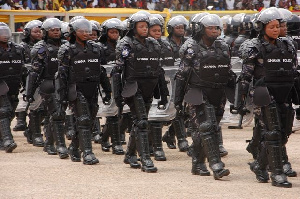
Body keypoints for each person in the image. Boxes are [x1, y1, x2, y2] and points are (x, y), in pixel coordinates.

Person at [237, 7, 296, 187]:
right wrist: (241, 101)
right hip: (263, 93)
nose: (276, 30)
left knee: (283, 134)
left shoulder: (288, 45)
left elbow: (293, 72)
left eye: (278, 26)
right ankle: (277, 174)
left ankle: (259, 165)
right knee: (273, 133)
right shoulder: (253, 47)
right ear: (261, 27)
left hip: (284, 92)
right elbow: (246, 76)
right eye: (271, 27)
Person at [177, 14, 233, 179]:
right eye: (210, 28)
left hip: (218, 92)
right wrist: (177, 101)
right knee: (207, 126)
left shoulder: (223, 47)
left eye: (216, 27)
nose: (214, 31)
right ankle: (216, 165)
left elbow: (228, 72)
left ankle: (197, 162)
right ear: (200, 29)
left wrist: (237, 96)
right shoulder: (191, 48)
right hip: (197, 92)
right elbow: (181, 76)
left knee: (211, 129)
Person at [112, 12, 168, 172]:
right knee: (143, 122)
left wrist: (163, 95)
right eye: (141, 26)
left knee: (139, 122)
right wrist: (118, 96)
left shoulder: (155, 44)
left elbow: (159, 71)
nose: (145, 29)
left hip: (149, 87)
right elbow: (118, 72)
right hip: (132, 87)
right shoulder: (125, 44)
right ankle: (145, 159)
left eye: (146, 26)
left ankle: (129, 154)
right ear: (133, 28)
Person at [56, 18, 111, 164]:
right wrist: (62, 97)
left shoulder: (96, 48)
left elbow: (101, 71)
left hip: (92, 88)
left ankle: (74, 147)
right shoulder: (66, 49)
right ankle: (87, 153)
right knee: (84, 119)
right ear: (74, 32)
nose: (86, 33)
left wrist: (107, 90)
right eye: (82, 31)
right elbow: (62, 75)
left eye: (88, 31)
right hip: (76, 89)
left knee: (90, 120)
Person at [26, 18, 69, 159]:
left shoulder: (67, 45)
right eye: (53, 30)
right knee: (57, 115)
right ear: (46, 32)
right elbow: (34, 72)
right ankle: (60, 145)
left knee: (57, 114)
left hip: (63, 84)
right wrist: (30, 92)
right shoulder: (40, 48)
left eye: (58, 30)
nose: (56, 32)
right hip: (47, 83)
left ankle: (49, 143)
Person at [162, 15, 189, 152]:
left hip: (186, 80)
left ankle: (169, 135)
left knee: (186, 112)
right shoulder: (164, 44)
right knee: (177, 109)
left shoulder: (188, 42)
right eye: (177, 27)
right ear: (171, 29)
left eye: (182, 27)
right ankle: (182, 139)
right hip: (171, 82)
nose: (181, 30)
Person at [98, 18, 125, 155]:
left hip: (119, 82)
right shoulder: (100, 48)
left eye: (117, 32)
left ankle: (104, 138)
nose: (115, 34)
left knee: (119, 113)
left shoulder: (121, 46)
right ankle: (116, 143)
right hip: (106, 84)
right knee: (112, 114)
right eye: (112, 32)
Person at [18, 20, 46, 147]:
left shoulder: (45, 45)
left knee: (45, 109)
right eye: (35, 31)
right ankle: (36, 134)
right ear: (28, 33)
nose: (39, 33)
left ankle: (30, 130)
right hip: (29, 80)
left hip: (45, 79)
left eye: (40, 31)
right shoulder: (22, 47)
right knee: (35, 107)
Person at [0, 22, 26, 152]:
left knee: (10, 112)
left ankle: (1, 137)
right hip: (1, 85)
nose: (5, 36)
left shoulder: (18, 49)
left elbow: (25, 67)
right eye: (1, 34)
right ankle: (8, 140)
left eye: (6, 33)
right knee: (4, 110)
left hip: (14, 85)